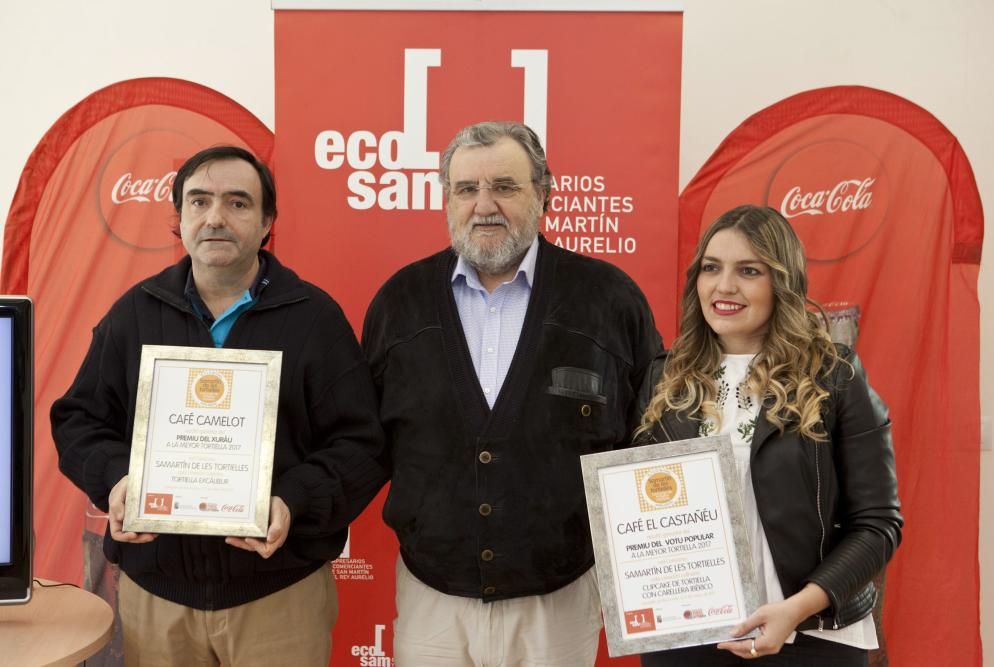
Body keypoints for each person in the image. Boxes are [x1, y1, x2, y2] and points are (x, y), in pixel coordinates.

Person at [52, 145, 385, 666]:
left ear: (267, 220)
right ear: (180, 216)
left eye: (237, 203)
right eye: (199, 201)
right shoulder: (134, 314)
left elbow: (361, 445)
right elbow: (79, 421)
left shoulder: (315, 319)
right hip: (156, 596)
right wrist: (119, 481)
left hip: (279, 596)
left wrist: (291, 501)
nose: (216, 218)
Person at [362, 121, 662, 666]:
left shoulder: (610, 301)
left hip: (559, 599)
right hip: (433, 598)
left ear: (544, 193)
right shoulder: (398, 303)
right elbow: (361, 443)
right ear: (445, 197)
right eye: (466, 189)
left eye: (504, 186)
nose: (484, 205)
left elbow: (653, 442)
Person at [634, 205, 902, 665]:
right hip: (688, 638)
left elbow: (877, 526)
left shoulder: (834, 376)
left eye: (749, 271)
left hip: (815, 637)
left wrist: (796, 609)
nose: (724, 286)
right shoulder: (664, 378)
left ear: (782, 283)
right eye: (711, 268)